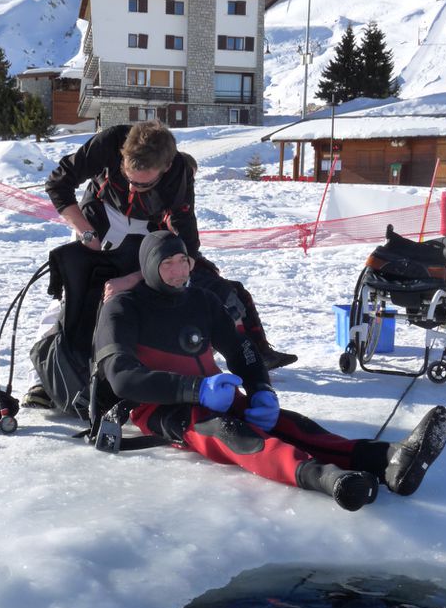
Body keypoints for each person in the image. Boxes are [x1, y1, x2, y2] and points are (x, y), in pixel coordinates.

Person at [93, 231, 446, 511]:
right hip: (156, 405)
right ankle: (329, 479)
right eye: (166, 263)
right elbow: (122, 377)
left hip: (213, 391)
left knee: (286, 423)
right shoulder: (123, 308)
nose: (179, 272)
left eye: (183, 261)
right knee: (228, 432)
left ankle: (388, 460)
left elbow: (241, 349)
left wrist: (261, 388)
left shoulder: (200, 299)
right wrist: (195, 391)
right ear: (150, 266)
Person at [23, 120, 296, 408]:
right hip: (97, 217)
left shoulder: (178, 171)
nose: (133, 187)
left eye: (144, 184)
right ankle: (40, 381)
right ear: (121, 154)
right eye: (128, 178)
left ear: (165, 168)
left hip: (144, 231)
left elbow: (188, 242)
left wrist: (137, 277)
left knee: (147, 295)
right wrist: (85, 230)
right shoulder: (110, 141)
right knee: (72, 294)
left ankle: (141, 368)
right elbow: (58, 182)